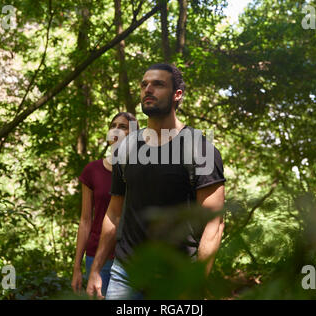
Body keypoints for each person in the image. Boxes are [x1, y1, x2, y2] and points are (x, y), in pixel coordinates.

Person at [86, 63, 226, 300]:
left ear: (177, 95)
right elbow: (113, 213)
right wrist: (97, 269)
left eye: (158, 84)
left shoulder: (199, 148)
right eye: (144, 84)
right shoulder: (127, 148)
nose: (148, 89)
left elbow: (215, 225)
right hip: (125, 274)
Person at [71, 112, 138, 296]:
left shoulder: (141, 170)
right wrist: (77, 266)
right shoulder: (92, 170)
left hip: (130, 258)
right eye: (113, 125)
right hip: (96, 257)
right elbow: (85, 220)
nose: (116, 130)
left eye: (123, 126)